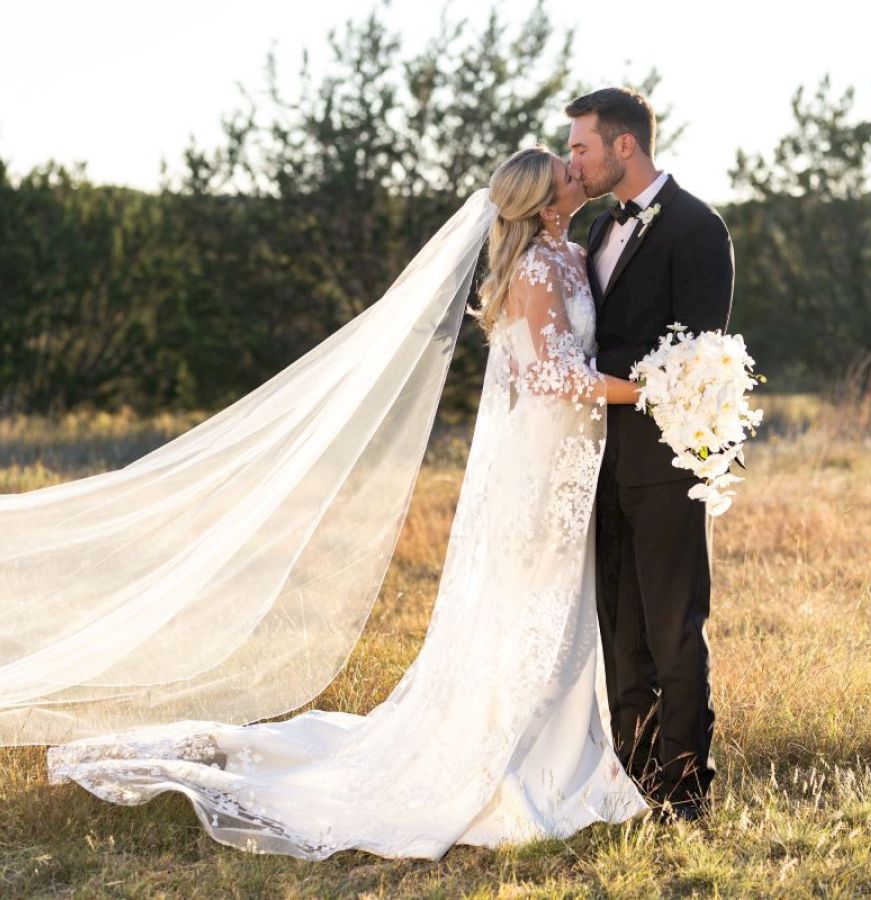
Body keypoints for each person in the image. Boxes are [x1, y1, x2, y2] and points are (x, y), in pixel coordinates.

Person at [41, 146, 653, 860]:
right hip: (545, 460)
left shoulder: (572, 253)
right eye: (566, 171)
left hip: (571, 456)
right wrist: (649, 389)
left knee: (558, 600)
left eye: (575, 163)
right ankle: (519, 755)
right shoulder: (538, 268)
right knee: (531, 602)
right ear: (547, 201)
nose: (579, 173)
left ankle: (566, 742)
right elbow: (552, 377)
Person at [566, 87, 735, 820]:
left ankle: (686, 788)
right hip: (598, 460)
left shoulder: (698, 227)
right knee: (621, 626)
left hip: (666, 459)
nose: (575, 161)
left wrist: (595, 380)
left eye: (581, 147)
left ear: (623, 145)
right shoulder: (601, 224)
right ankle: (631, 783)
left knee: (674, 625)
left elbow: (698, 352)